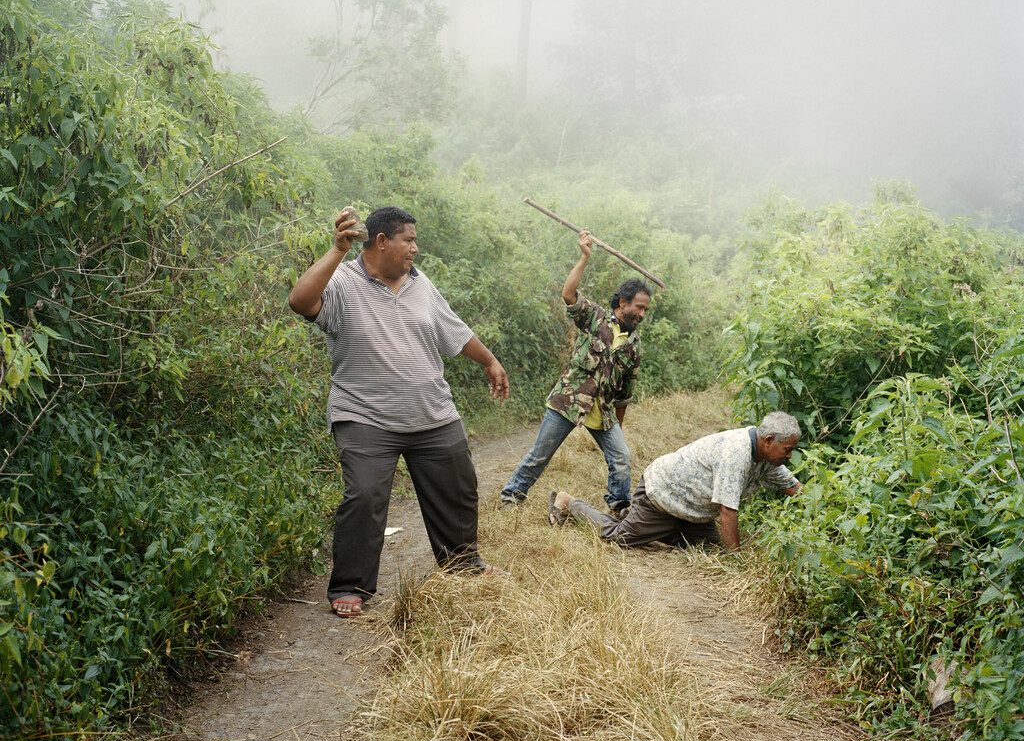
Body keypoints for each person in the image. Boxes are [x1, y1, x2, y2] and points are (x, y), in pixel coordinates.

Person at [288, 206, 510, 618]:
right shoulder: (343, 283)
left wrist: (489, 361)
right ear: (382, 241)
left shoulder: (421, 285)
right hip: (365, 415)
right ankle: (350, 586)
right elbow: (300, 301)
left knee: (458, 487)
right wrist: (336, 250)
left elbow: (455, 332)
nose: (415, 248)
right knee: (365, 495)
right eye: (408, 239)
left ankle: (462, 565)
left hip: (432, 413)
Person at [500, 229, 652, 515]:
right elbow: (568, 294)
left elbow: (624, 395)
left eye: (645, 310)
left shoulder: (635, 346)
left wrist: (618, 427)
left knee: (621, 458)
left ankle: (619, 506)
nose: (642, 314)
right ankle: (512, 495)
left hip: (604, 411)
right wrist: (584, 256)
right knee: (540, 454)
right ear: (623, 303)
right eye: (639, 307)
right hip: (568, 402)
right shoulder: (594, 318)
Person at [548, 411, 804, 552]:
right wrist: (735, 558)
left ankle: (636, 517)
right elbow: (728, 511)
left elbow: (795, 488)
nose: (789, 455)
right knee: (622, 538)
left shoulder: (766, 458)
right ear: (768, 440)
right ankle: (570, 503)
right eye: (787, 449)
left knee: (709, 546)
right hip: (661, 496)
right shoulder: (736, 453)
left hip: (691, 511)